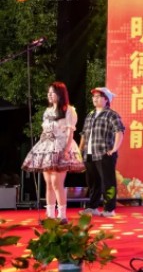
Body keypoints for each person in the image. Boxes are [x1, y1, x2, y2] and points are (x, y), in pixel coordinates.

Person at [22, 81, 84, 222]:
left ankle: (62, 215)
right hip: (47, 147)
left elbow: (70, 132)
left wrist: (66, 150)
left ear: (60, 94)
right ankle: (50, 215)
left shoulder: (69, 110)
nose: (49, 95)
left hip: (61, 146)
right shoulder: (48, 111)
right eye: (49, 92)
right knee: (49, 183)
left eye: (53, 92)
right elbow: (45, 130)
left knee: (57, 183)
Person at [79, 87, 125, 218]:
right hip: (89, 153)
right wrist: (79, 150)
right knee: (92, 182)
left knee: (108, 182)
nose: (95, 99)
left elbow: (119, 131)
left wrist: (114, 149)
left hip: (104, 153)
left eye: (98, 96)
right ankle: (93, 207)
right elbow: (84, 134)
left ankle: (109, 209)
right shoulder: (90, 115)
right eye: (94, 96)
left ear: (106, 100)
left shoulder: (112, 115)